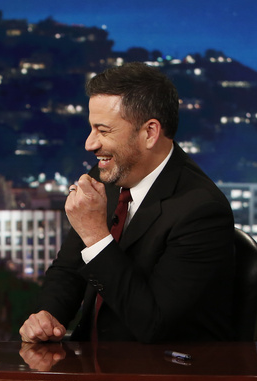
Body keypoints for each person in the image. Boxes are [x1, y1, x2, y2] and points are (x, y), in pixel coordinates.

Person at [19, 62, 235, 344]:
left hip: (160, 367)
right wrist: (48, 316)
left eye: (103, 130)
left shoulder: (202, 210)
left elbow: (154, 325)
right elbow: (69, 269)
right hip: (91, 362)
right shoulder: (106, 177)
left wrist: (96, 236)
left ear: (149, 133)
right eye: (91, 129)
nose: (89, 144)